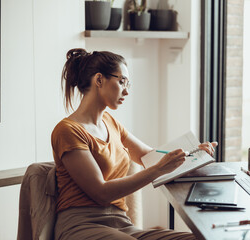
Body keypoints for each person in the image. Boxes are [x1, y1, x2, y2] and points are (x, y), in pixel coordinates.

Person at [51, 48, 218, 240]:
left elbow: (148, 156)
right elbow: (101, 193)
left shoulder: (110, 122)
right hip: (80, 225)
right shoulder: (68, 130)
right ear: (99, 80)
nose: (127, 91)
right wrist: (158, 170)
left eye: (128, 83)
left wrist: (194, 154)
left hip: (120, 222)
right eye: (122, 82)